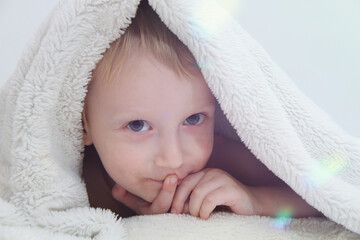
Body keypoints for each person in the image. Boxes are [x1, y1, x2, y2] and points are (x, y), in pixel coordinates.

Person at [82, 0, 322, 219]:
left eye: (194, 119)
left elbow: (323, 195)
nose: (174, 158)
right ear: (84, 124)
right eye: (137, 125)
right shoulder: (65, 182)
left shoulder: (220, 160)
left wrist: (253, 198)